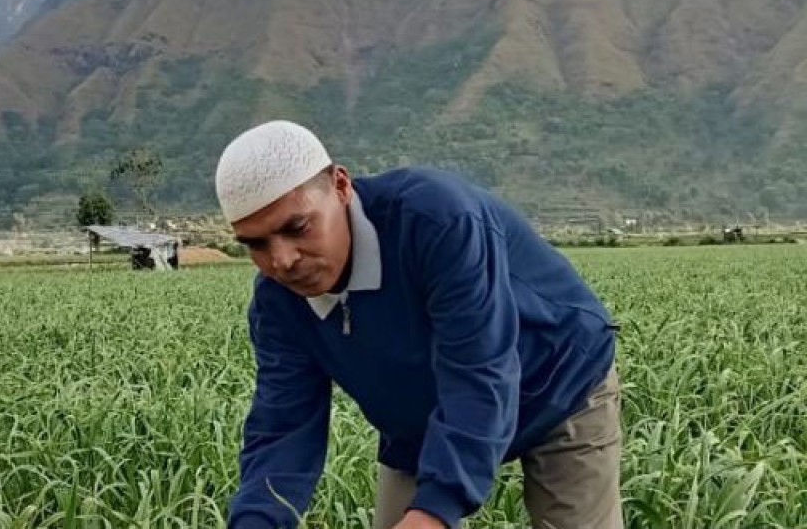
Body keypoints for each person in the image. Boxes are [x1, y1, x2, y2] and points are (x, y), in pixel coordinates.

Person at [215, 120, 622, 529]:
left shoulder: (435, 221)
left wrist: (434, 510)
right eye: (256, 244)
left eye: (297, 227)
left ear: (341, 186)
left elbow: (480, 371)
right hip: (422, 422)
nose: (282, 260)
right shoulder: (278, 302)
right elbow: (285, 425)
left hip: (557, 378)